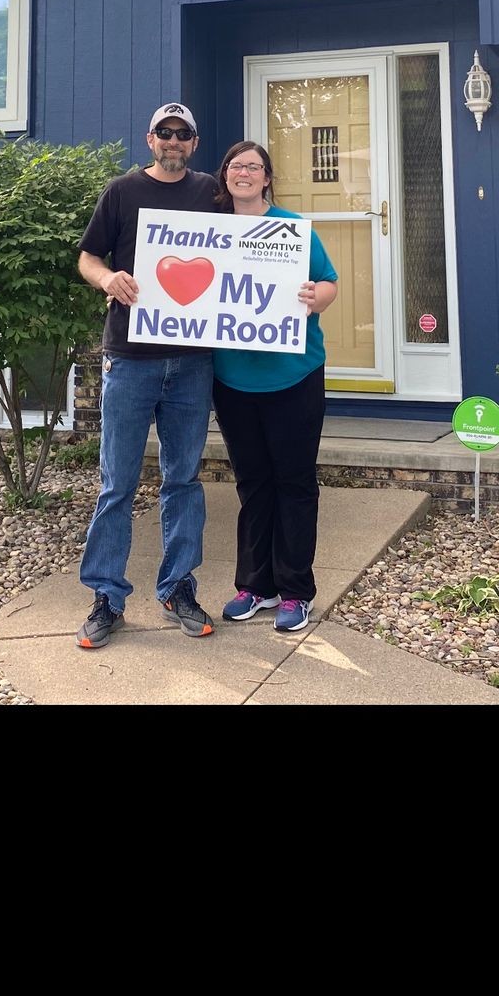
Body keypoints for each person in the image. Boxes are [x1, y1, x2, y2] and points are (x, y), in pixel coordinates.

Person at [75, 103, 218, 649]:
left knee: (183, 480)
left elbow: (249, 245)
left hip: (192, 363)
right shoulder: (121, 191)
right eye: (165, 132)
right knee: (118, 482)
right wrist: (108, 278)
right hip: (130, 359)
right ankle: (107, 598)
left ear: (195, 142)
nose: (174, 140)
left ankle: (178, 587)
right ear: (150, 139)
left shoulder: (211, 192)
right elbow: (88, 257)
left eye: (183, 133)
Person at [212, 140, 338, 634]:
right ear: (225, 175)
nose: (243, 173)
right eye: (235, 165)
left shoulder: (291, 230)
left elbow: (327, 283)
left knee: (294, 482)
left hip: (294, 375)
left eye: (253, 167)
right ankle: (255, 586)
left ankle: (295, 591)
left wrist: (314, 297)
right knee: (252, 483)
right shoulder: (210, 230)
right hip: (233, 379)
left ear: (266, 178)